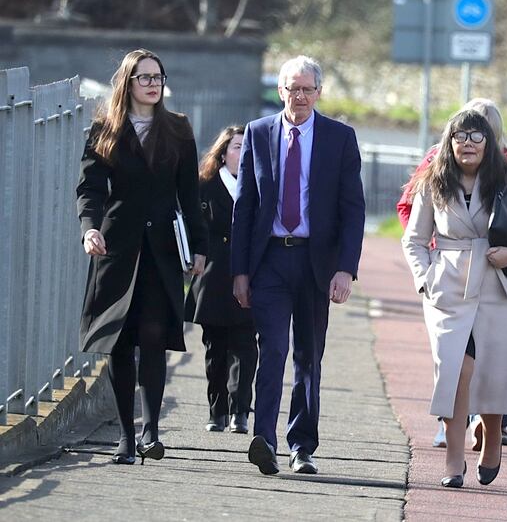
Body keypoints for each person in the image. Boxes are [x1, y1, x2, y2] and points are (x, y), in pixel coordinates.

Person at [231, 55, 365, 476]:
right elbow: (245, 206)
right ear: (281, 91)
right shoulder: (258, 133)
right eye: (293, 88)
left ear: (319, 92)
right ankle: (265, 439)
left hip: (315, 262)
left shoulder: (339, 138)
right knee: (272, 348)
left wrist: (345, 268)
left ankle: (301, 445)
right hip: (270, 258)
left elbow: (353, 208)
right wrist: (240, 271)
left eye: (308, 89)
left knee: (309, 356)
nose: (300, 96)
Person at [402, 109, 507, 488]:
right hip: (447, 288)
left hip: (497, 286)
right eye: (460, 136)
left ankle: (493, 435)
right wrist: (425, 280)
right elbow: (414, 240)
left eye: (476, 136)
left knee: (495, 371)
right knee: (455, 372)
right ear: (449, 143)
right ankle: (453, 460)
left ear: (489, 142)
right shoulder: (432, 182)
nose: (468, 142)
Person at [76, 48, 208, 465]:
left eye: (158, 77)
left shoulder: (178, 129)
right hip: (117, 246)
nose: (153, 84)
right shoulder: (105, 129)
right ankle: (125, 438)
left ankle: (151, 429)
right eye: (145, 77)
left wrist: (200, 248)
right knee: (119, 339)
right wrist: (89, 229)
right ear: (127, 83)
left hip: (164, 249)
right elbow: (90, 188)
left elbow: (190, 194)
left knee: (153, 332)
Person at [185, 125, 257, 434]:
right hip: (213, 276)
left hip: (248, 274)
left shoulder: (260, 187)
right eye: (238, 147)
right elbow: (190, 226)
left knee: (245, 346)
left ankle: (240, 409)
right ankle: (217, 411)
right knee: (215, 347)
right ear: (224, 152)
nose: (242, 153)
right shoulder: (205, 186)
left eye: (248, 148)